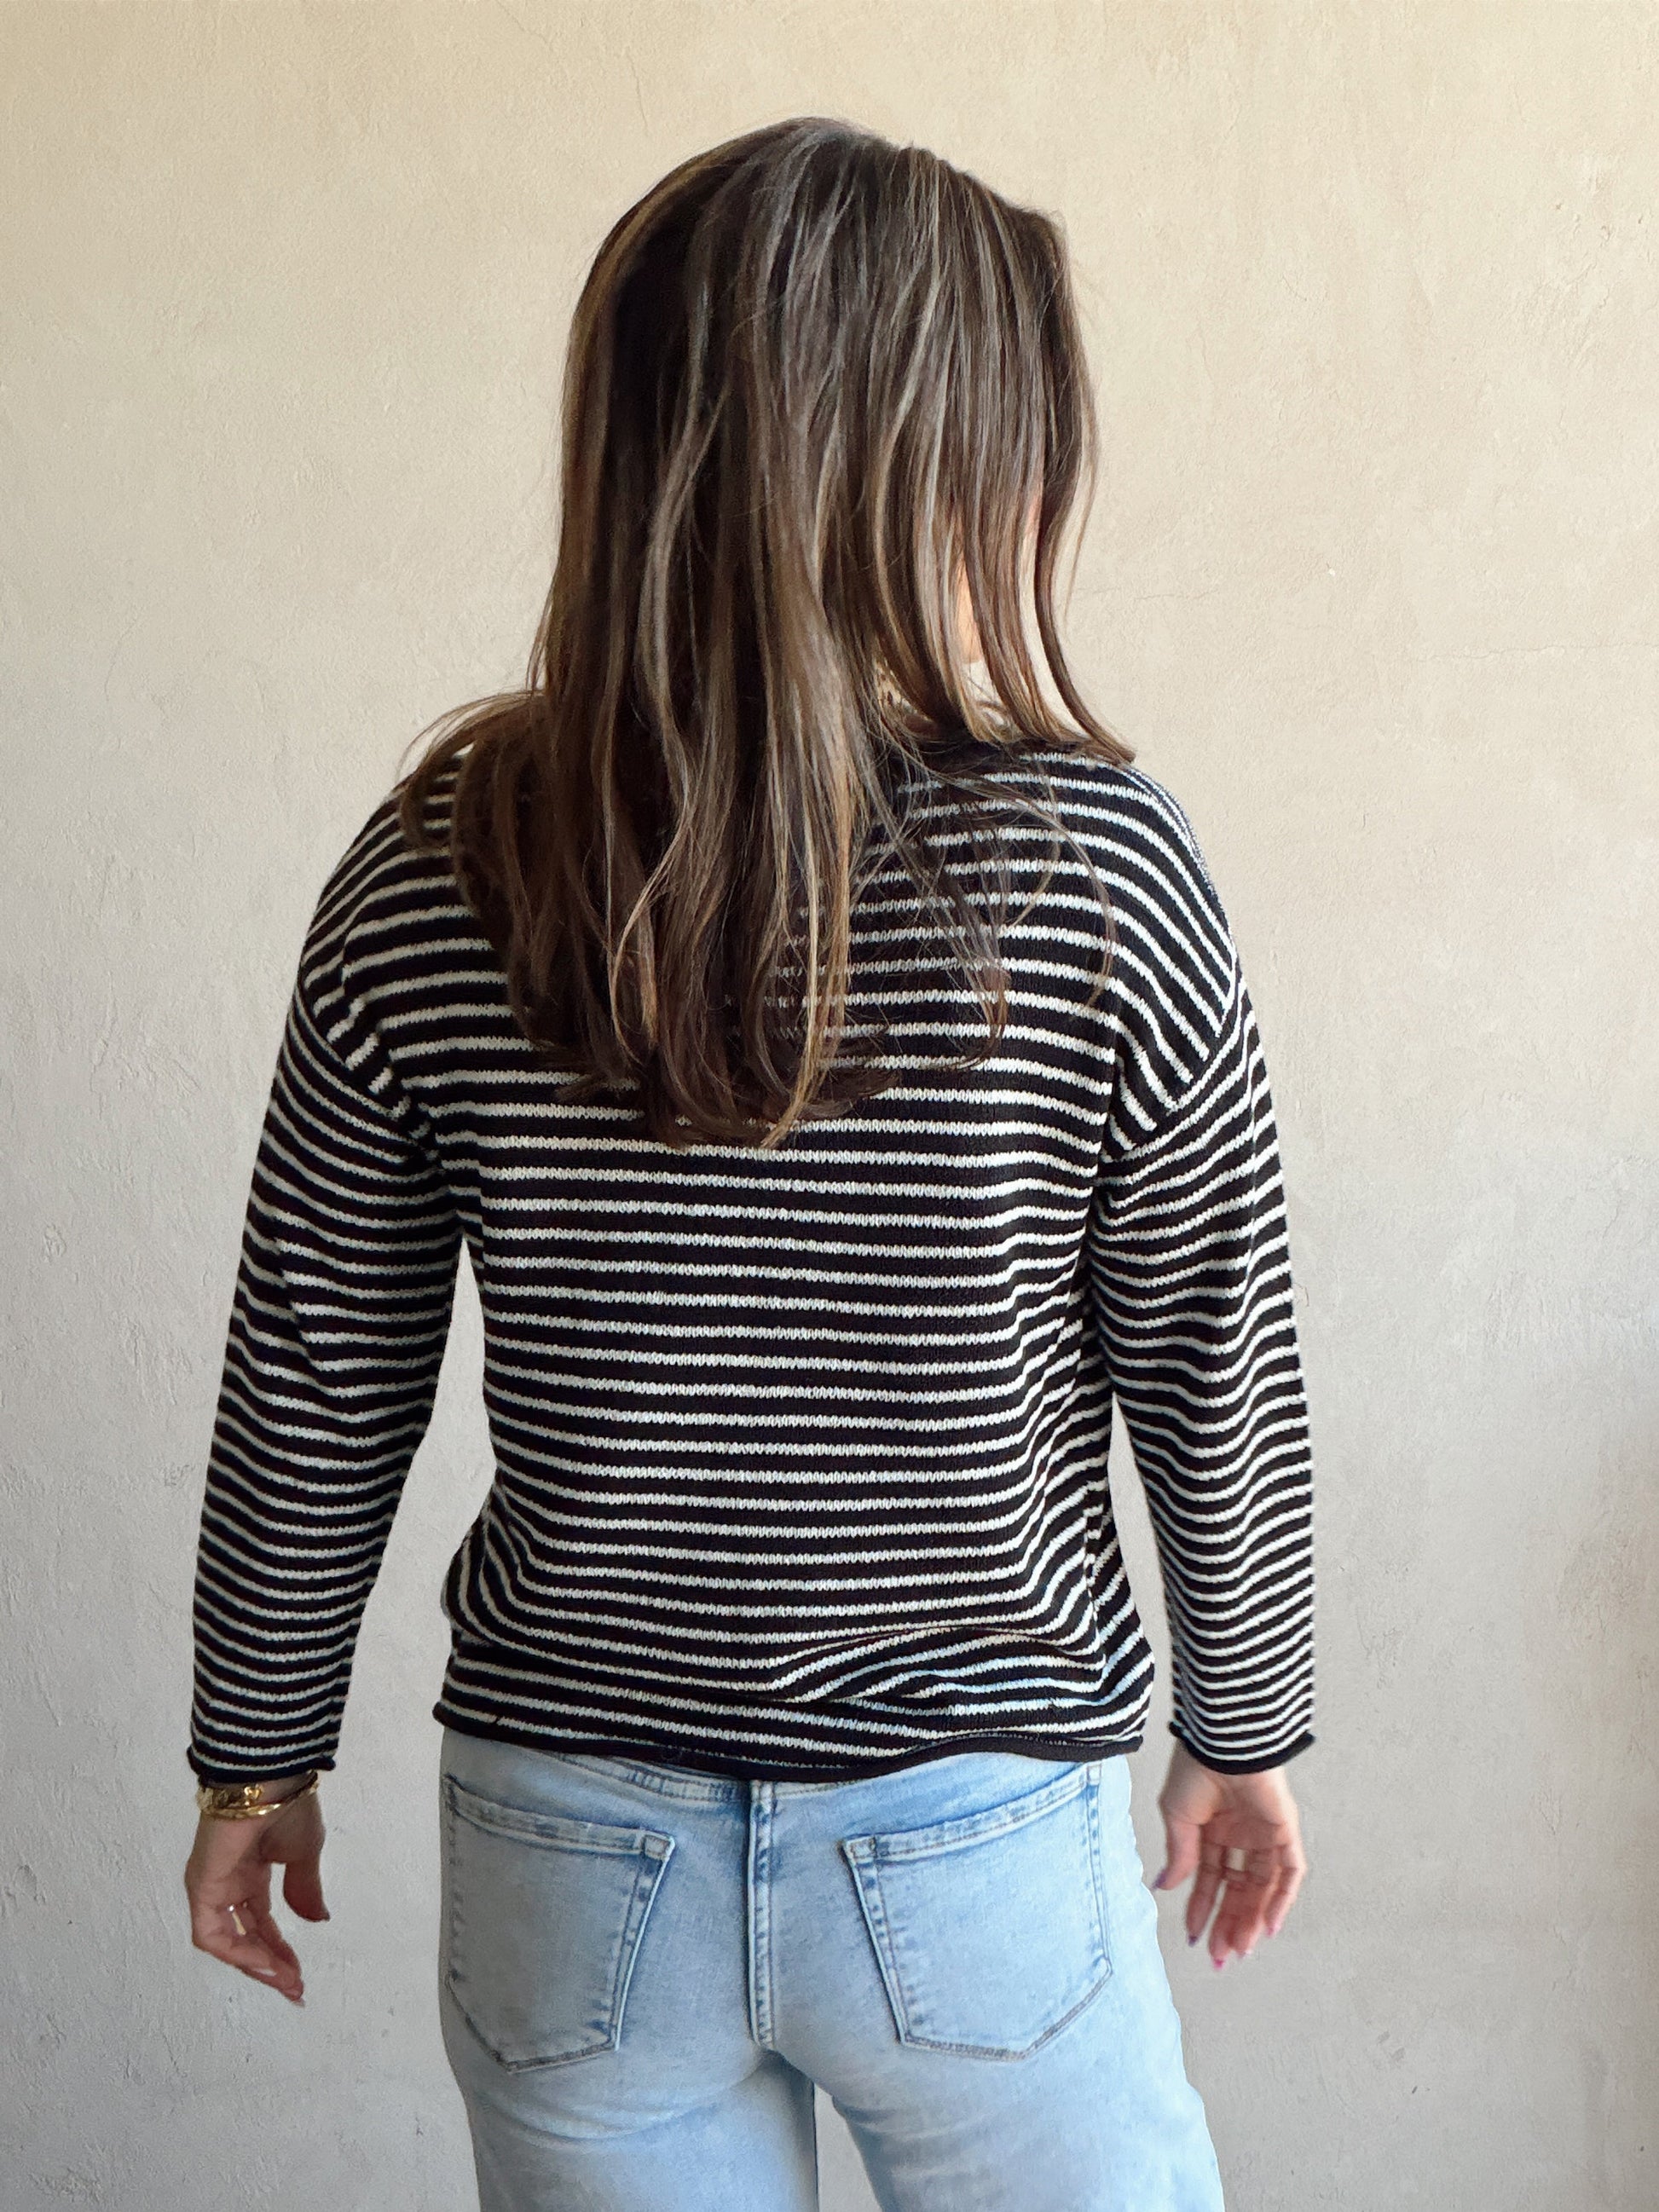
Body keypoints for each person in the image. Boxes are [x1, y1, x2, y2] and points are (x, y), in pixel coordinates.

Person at [182, 117, 1314, 2212]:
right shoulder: (1098, 866)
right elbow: (1208, 1346)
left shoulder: (437, 860)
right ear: (943, 463)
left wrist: (255, 1755)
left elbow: (314, 1371)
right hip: (972, 1833)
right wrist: (1245, 1721)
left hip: (569, 1843)